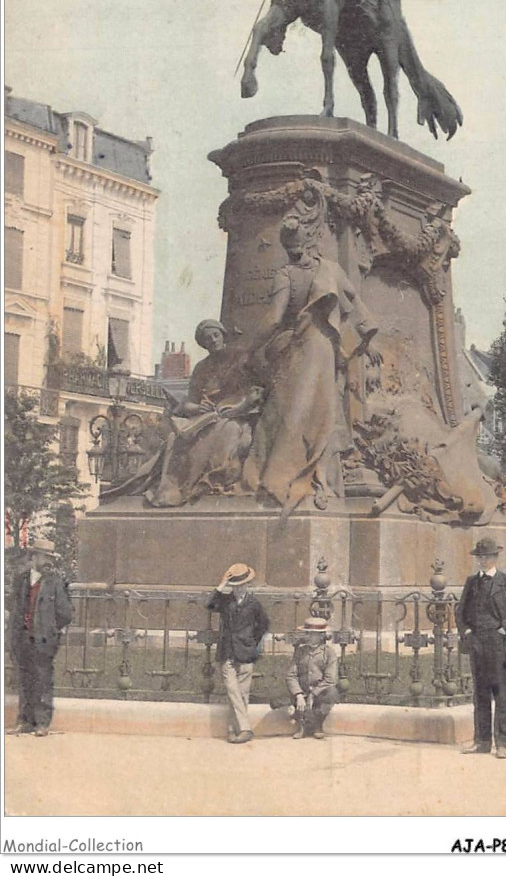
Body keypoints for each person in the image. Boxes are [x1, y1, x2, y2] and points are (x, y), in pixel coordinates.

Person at [243, 216, 378, 515]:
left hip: (302, 347)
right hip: (326, 347)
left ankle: (281, 474)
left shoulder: (287, 275)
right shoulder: (330, 269)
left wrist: (252, 348)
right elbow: (354, 300)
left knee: (293, 410)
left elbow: (275, 318)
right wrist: (367, 334)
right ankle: (320, 476)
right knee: (320, 410)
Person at [105, 319, 263, 507]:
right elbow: (189, 403)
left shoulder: (240, 360)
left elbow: (255, 393)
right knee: (175, 438)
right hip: (206, 417)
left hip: (237, 416)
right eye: (207, 339)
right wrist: (197, 408)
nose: (213, 340)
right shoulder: (201, 368)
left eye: (216, 335)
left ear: (223, 335)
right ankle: (171, 489)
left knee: (224, 431)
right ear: (203, 344)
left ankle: (197, 485)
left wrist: (239, 407)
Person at [457, 536, 506, 758]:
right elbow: (460, 612)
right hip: (477, 643)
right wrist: (466, 632)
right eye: (479, 557)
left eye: (486, 557)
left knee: (500, 693)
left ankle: (502, 743)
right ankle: (482, 741)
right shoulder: (471, 582)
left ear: (494, 558)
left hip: (499, 644)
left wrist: (502, 629)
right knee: (480, 694)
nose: (482, 561)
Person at [8, 538, 73, 737]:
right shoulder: (21, 580)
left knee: (43, 679)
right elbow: (13, 605)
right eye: (45, 557)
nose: (48, 562)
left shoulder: (56, 582)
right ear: (33, 557)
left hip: (44, 640)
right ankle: (25, 721)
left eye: (50, 558)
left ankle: (42, 723)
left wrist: (50, 629)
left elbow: (65, 613)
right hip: (21, 638)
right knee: (25, 679)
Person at [207, 562, 270, 744]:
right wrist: (221, 585)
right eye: (235, 586)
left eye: (241, 585)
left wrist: (251, 641)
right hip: (227, 652)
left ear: (247, 585)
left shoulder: (254, 603)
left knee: (242, 694)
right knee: (233, 690)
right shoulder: (226, 601)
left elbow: (263, 624)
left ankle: (232, 730)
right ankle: (246, 728)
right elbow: (210, 605)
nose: (238, 589)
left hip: (246, 652)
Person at [285, 616, 339, 740]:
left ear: (321, 636)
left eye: (313, 634)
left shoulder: (329, 653)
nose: (309, 636)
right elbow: (291, 675)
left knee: (331, 694)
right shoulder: (300, 651)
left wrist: (313, 694)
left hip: (320, 691)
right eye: (307, 633)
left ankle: (317, 725)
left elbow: (331, 679)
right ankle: (302, 726)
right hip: (302, 690)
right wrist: (298, 694)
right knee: (293, 697)